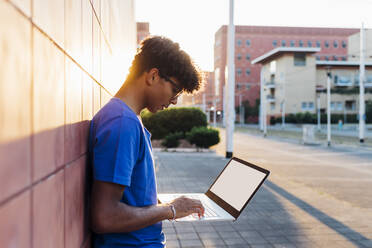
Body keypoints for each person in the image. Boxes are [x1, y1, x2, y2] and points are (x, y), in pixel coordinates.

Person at [88, 36, 205, 248]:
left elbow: (131, 196)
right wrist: (171, 210)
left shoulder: (128, 119)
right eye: (175, 90)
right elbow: (104, 216)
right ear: (153, 76)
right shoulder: (122, 124)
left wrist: (169, 205)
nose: (174, 101)